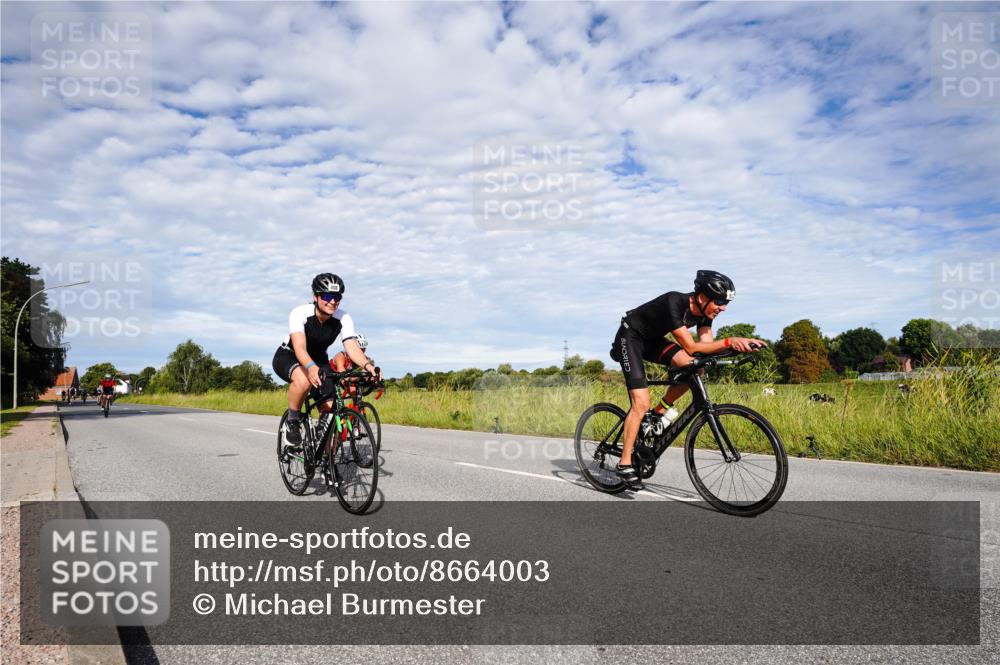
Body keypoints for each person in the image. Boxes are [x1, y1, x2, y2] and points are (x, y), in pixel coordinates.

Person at [609, 270, 767, 491]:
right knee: (640, 403)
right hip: (631, 338)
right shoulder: (674, 302)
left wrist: (737, 350)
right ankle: (624, 463)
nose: (723, 308)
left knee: (695, 367)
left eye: (726, 303)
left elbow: (705, 348)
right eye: (720, 302)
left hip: (653, 340)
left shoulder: (705, 315)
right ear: (702, 297)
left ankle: (658, 412)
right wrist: (730, 341)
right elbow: (692, 347)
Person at [272, 274, 379, 446]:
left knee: (332, 412)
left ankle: (327, 466)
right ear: (316, 297)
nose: (333, 301)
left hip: (319, 359)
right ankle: (292, 421)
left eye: (337, 297)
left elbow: (351, 347)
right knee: (304, 380)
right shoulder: (300, 313)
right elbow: (300, 347)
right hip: (289, 355)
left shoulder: (343, 318)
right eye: (327, 296)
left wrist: (367, 365)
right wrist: (311, 367)